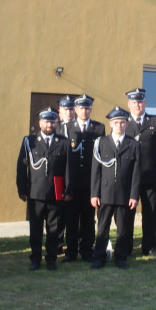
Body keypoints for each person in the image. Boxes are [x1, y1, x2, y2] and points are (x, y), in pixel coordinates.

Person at [16, 108, 69, 271]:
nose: (49, 124)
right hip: (35, 191)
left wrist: (68, 190)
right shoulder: (29, 141)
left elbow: (68, 169)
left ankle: (51, 258)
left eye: (52, 121)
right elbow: (21, 166)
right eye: (46, 121)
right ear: (40, 123)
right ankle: (35, 258)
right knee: (36, 227)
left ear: (56, 123)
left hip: (55, 192)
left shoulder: (64, 142)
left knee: (54, 228)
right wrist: (22, 189)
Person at [90, 107, 141, 270]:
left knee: (123, 229)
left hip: (124, 194)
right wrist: (94, 194)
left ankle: (120, 257)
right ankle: (99, 258)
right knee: (102, 228)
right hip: (105, 193)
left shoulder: (133, 144)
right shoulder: (101, 143)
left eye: (122, 123)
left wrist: (134, 195)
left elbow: (136, 173)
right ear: (111, 124)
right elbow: (95, 171)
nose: (119, 125)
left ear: (126, 124)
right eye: (116, 122)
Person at [126, 88, 156, 258]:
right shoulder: (123, 122)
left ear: (145, 103)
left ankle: (149, 247)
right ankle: (127, 247)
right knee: (127, 214)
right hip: (129, 179)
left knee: (151, 214)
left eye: (140, 102)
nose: (137, 105)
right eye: (134, 102)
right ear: (129, 104)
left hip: (151, 176)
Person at [61, 94, 105, 262]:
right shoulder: (67, 128)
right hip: (72, 181)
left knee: (88, 219)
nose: (84, 111)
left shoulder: (98, 128)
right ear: (76, 110)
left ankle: (87, 250)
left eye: (87, 108)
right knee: (71, 219)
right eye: (81, 108)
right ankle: (71, 252)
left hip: (90, 181)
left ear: (90, 109)